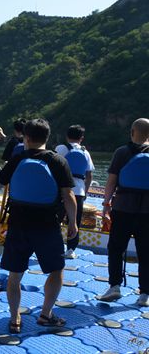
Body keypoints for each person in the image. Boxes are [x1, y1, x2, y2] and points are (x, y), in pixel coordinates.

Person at [0, 118, 77, 334]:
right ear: (47, 138)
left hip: (19, 225)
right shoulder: (58, 161)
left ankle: (14, 318)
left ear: (26, 138)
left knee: (15, 274)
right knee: (56, 270)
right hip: (48, 225)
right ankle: (46, 314)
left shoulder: (17, 159)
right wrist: (73, 223)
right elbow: (68, 196)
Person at [98, 118, 149, 307]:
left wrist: (106, 205)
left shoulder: (122, 152)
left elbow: (111, 181)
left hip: (123, 207)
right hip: (147, 212)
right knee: (146, 252)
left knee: (116, 247)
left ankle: (114, 286)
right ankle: (145, 294)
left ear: (132, 131)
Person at [55, 124, 95, 259]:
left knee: (56, 218)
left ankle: (53, 246)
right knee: (75, 221)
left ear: (67, 136)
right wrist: (85, 192)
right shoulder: (86, 152)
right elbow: (89, 176)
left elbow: (52, 167)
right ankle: (71, 249)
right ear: (81, 138)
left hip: (62, 189)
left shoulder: (61, 148)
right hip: (79, 191)